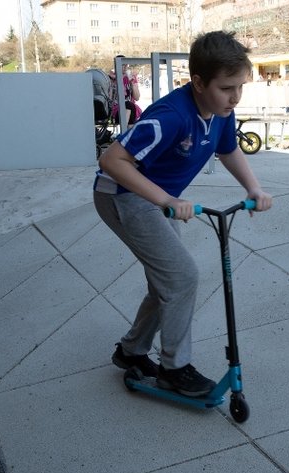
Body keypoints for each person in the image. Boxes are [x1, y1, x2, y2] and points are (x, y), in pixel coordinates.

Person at [93, 31, 273, 397]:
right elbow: (111, 160)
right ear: (198, 82)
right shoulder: (170, 117)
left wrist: (252, 187)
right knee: (181, 278)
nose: (235, 97)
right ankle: (173, 370)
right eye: (227, 88)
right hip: (123, 196)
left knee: (168, 282)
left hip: (156, 199)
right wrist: (166, 201)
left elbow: (228, 150)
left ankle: (131, 352)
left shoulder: (221, 111)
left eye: (240, 86)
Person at [108, 58, 142, 126]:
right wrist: (114, 82)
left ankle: (125, 133)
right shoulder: (111, 78)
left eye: (126, 65)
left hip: (131, 108)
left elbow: (137, 98)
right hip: (116, 110)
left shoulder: (130, 78)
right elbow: (109, 98)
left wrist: (132, 83)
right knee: (128, 105)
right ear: (116, 66)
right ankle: (127, 133)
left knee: (129, 105)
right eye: (123, 65)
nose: (125, 67)